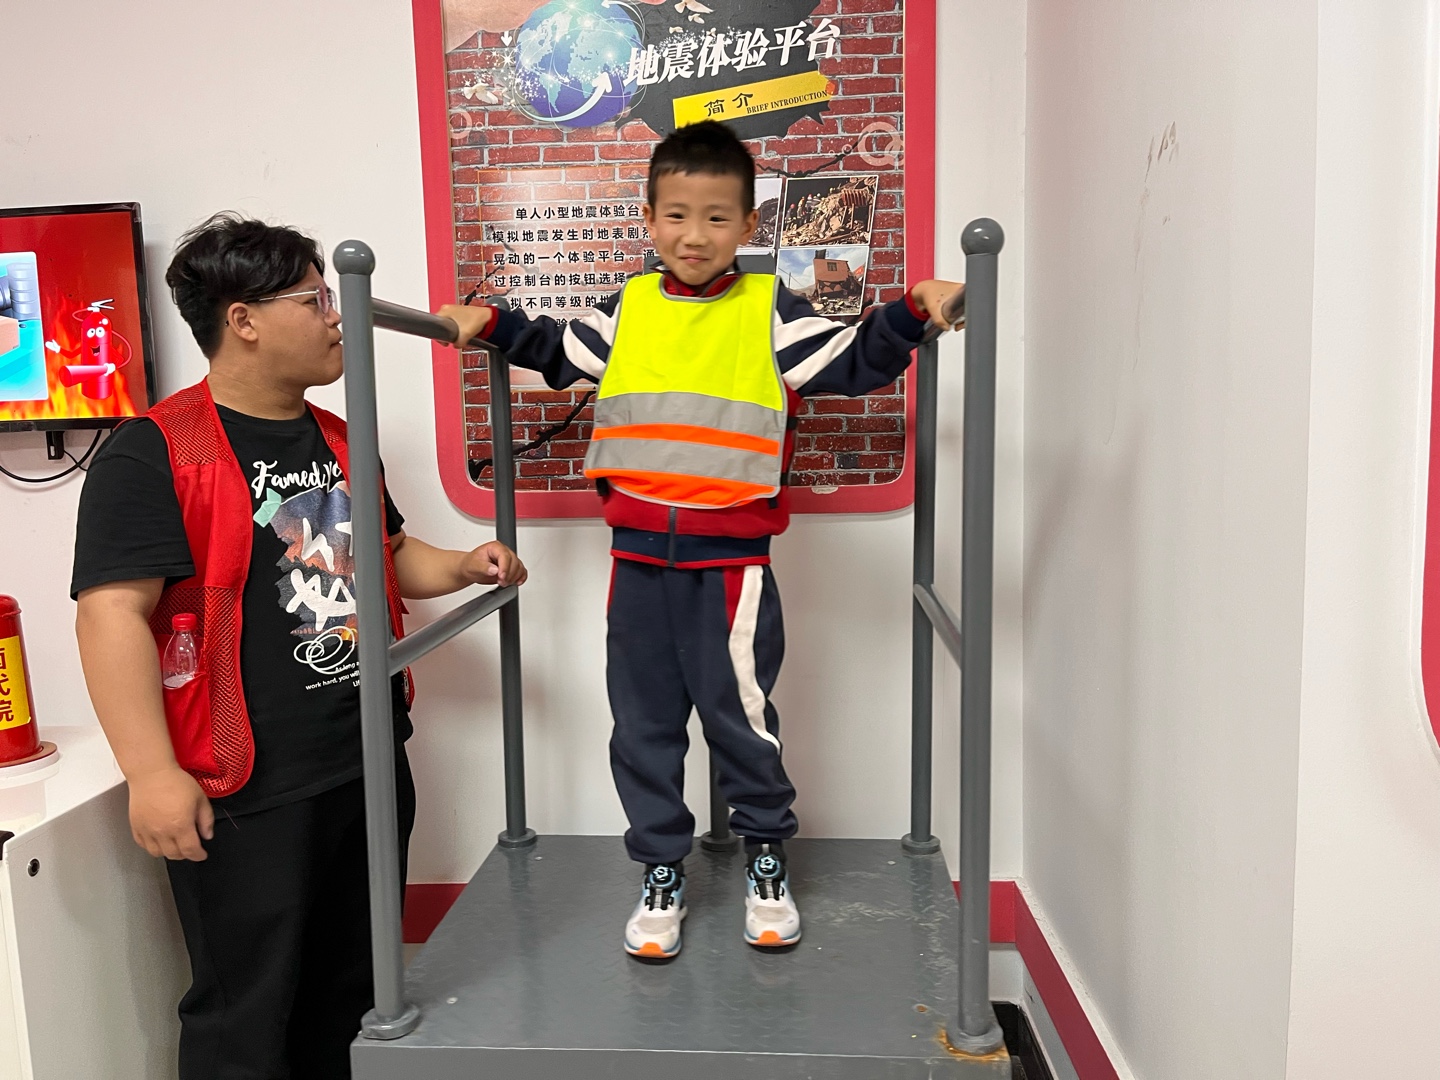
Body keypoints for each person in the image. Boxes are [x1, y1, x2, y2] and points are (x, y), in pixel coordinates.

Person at [441, 120, 962, 959]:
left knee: (740, 721)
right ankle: (661, 870)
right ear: (649, 220)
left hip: (731, 568)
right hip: (637, 562)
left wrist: (912, 309)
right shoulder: (629, 310)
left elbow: (852, 361)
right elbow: (555, 348)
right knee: (642, 726)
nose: (694, 235)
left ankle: (765, 858)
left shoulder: (769, 311)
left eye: (717, 218)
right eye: (677, 215)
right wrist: (492, 323)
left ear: (748, 226)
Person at [71, 214, 528, 1080]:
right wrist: (152, 774)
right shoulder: (157, 451)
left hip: (364, 763)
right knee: (247, 1011)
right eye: (316, 299)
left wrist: (466, 564)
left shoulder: (340, 438)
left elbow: (388, 556)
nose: (335, 317)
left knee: (352, 991)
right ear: (242, 319)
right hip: (247, 787)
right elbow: (110, 616)